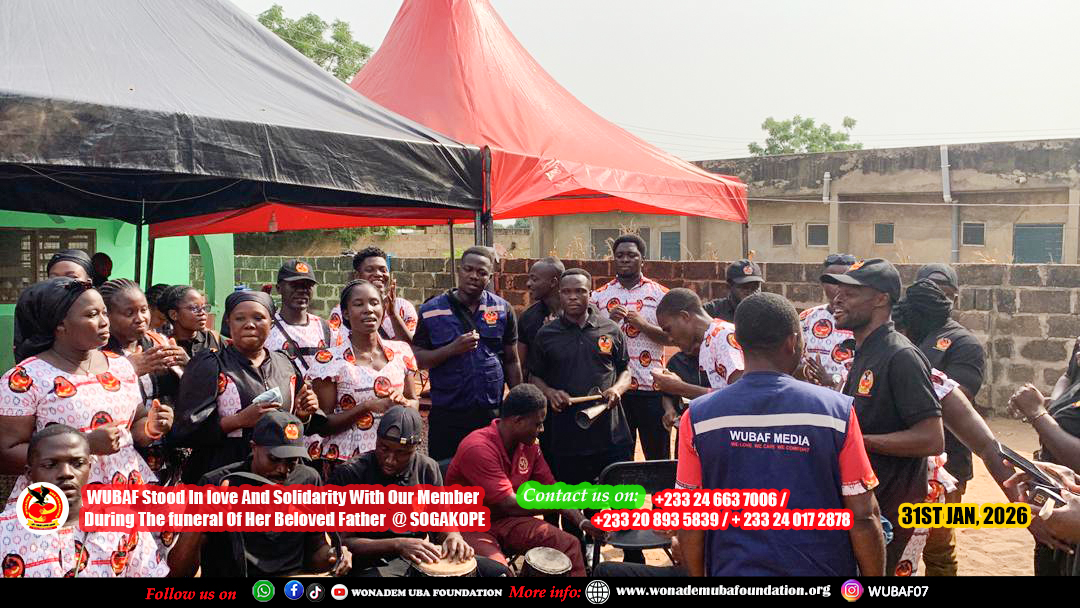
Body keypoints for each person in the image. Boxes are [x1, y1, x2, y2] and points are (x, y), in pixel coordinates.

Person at [676, 292, 885, 577]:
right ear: (792, 342)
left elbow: (690, 518)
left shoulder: (698, 417)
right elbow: (863, 516)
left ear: (739, 343)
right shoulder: (836, 412)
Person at [822, 258, 943, 576]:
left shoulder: (900, 356)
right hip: (865, 507)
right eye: (838, 291)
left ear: (881, 299)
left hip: (888, 513)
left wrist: (856, 442)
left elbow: (932, 438)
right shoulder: (865, 351)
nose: (837, 299)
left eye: (851, 293)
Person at [0, 278, 172, 495]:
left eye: (104, 313)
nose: (104, 322)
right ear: (60, 324)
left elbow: (135, 423)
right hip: (61, 500)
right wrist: (84, 445)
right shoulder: (25, 378)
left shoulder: (120, 366)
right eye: (92, 315)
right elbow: (6, 453)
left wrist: (152, 426)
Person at [446, 384, 604, 576]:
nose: (542, 429)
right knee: (500, 573)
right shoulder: (478, 448)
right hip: (469, 526)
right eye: (537, 424)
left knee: (569, 545)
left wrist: (582, 522)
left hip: (508, 521)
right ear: (518, 421)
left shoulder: (529, 446)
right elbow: (509, 504)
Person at [328, 407, 507, 577]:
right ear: (376, 440)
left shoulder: (427, 468)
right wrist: (398, 544)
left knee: (499, 573)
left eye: (401, 453)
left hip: (419, 556)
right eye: (384, 448)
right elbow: (342, 542)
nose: (390, 459)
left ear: (415, 448)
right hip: (372, 562)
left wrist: (454, 536)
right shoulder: (351, 473)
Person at [169, 411, 351, 577]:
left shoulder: (307, 480)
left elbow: (316, 552)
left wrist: (335, 555)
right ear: (254, 447)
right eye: (274, 459)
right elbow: (180, 572)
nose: (283, 469)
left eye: (291, 461)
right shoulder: (216, 484)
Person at [171, 291, 320, 483]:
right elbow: (184, 432)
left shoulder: (285, 364)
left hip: (280, 476)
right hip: (223, 476)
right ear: (228, 323)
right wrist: (238, 420)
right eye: (240, 318)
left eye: (258, 318)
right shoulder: (211, 364)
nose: (249, 324)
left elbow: (299, 428)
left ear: (271, 323)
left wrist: (303, 415)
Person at [895, 277, 986, 576]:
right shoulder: (909, 337)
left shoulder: (964, 343)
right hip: (905, 461)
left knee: (938, 547)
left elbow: (961, 397)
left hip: (948, 463)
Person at [0, 425, 169, 577]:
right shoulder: (4, 530)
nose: (66, 473)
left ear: (89, 468)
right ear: (29, 474)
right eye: (50, 465)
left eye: (77, 463)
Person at [413, 246, 522, 461]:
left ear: (490, 277)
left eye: (481, 272)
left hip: (491, 413)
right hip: (448, 413)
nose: (474, 276)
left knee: (491, 469)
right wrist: (451, 349)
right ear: (459, 270)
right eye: (468, 269)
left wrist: (519, 402)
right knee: (446, 470)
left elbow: (511, 360)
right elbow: (418, 358)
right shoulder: (431, 310)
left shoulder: (502, 309)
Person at [529, 269, 633, 483]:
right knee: (572, 499)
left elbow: (625, 370)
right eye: (567, 292)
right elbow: (534, 377)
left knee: (615, 499)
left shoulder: (611, 329)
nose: (573, 297)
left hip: (609, 434)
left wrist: (617, 389)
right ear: (559, 294)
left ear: (590, 294)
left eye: (580, 291)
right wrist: (550, 393)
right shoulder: (546, 334)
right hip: (566, 436)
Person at [309, 280, 418, 468]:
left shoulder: (402, 351)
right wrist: (367, 406)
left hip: (394, 459)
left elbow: (414, 401)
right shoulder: (329, 360)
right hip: (348, 463)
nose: (368, 309)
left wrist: (404, 404)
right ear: (345, 313)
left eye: (374, 303)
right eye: (359, 304)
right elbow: (323, 425)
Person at [99, 279, 190, 485]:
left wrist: (187, 365)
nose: (140, 318)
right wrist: (127, 369)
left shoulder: (159, 341)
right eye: (129, 313)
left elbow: (188, 390)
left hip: (167, 449)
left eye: (143, 310)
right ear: (107, 316)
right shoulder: (97, 353)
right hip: (123, 453)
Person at [589, 234, 671, 460]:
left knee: (658, 456)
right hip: (615, 390)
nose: (625, 259)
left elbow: (671, 339)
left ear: (643, 259)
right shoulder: (598, 297)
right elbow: (591, 343)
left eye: (631, 255)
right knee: (620, 457)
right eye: (620, 255)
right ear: (614, 259)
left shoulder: (661, 295)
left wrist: (643, 325)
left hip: (652, 387)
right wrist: (610, 323)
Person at [654, 288, 745, 398]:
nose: (670, 339)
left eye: (668, 329)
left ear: (684, 316)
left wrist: (681, 388)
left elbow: (741, 394)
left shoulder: (723, 336)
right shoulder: (710, 340)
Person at [328, 247, 417, 345]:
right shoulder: (342, 311)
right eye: (369, 270)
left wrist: (393, 315)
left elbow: (412, 347)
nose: (378, 274)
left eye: (383, 270)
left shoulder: (403, 307)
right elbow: (335, 345)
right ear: (357, 276)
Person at [800, 253, 858, 390]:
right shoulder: (806, 318)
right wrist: (806, 371)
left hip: (847, 400)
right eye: (832, 281)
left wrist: (832, 379)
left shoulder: (862, 321)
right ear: (822, 284)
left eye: (844, 280)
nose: (838, 287)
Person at [265, 260, 333, 371]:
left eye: (307, 285)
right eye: (294, 285)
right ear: (279, 288)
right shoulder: (266, 328)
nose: (302, 290)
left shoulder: (326, 329)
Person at [517, 257, 565, 374]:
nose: (528, 284)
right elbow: (520, 365)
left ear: (553, 282)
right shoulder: (528, 318)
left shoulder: (578, 315)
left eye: (534, 279)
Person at [157, 285, 225, 358]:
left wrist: (188, 362)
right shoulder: (164, 344)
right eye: (194, 308)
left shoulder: (214, 339)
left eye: (204, 307)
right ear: (174, 314)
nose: (202, 313)